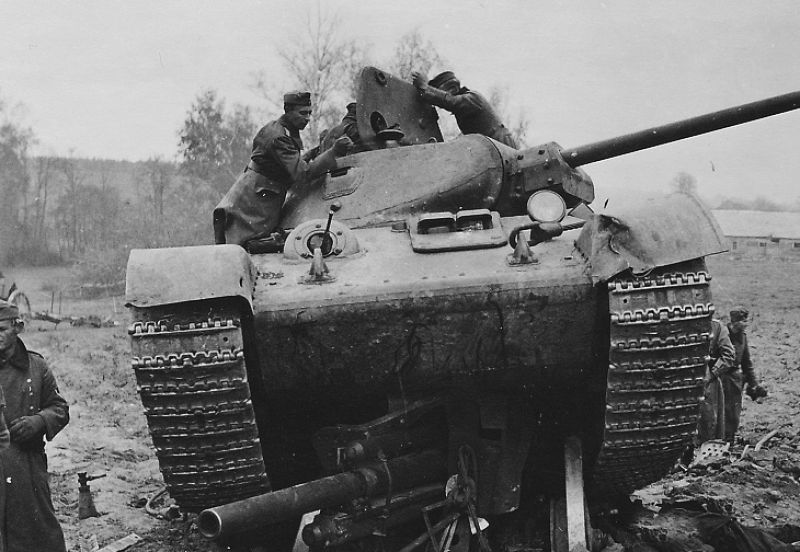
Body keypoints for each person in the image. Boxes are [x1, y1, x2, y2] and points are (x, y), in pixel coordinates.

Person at [213, 91, 353, 250]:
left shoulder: (282, 129)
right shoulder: (278, 136)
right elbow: (303, 174)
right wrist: (333, 152)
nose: (307, 118)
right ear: (288, 111)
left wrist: (316, 153)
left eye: (309, 113)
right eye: (302, 113)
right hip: (257, 200)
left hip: (260, 191)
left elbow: (288, 162)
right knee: (249, 244)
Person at [0, 299, 69, 552]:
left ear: (17, 327)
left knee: (38, 532)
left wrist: (39, 421)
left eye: (1, 329)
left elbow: (59, 408)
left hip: (27, 466)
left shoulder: (36, 367)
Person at [411, 70, 518, 148]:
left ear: (453, 89)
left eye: (442, 92)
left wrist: (425, 87)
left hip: (502, 145)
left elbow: (450, 101)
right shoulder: (463, 111)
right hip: (493, 147)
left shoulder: (472, 98)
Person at [696, 318, 736, 445]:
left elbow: (729, 355)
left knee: (708, 419)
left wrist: (713, 373)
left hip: (706, 377)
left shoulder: (716, 327)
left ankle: (707, 448)